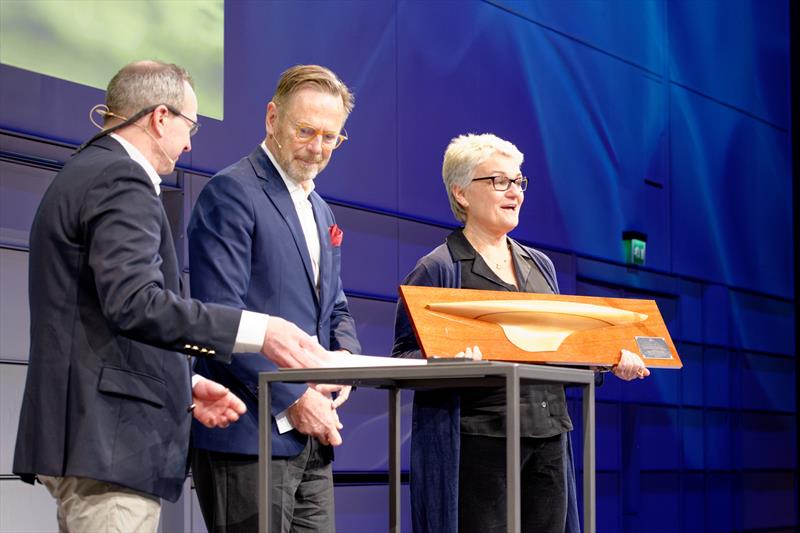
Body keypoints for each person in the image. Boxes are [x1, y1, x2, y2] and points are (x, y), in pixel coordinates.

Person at [12, 60, 332, 533]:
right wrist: (259, 330)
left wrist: (183, 387)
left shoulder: (90, 169)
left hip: (98, 440)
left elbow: (106, 316)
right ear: (161, 117)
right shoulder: (121, 178)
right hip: (108, 443)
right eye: (190, 126)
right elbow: (137, 302)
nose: (189, 143)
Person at [392, 133, 649, 533]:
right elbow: (402, 360)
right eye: (499, 181)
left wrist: (608, 360)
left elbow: (561, 347)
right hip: (480, 444)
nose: (514, 192)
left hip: (548, 438)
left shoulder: (540, 265)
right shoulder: (439, 268)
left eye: (518, 181)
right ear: (461, 193)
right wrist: (449, 364)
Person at [188, 64, 361, 533]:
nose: (318, 148)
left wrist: (346, 360)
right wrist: (293, 398)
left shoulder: (320, 207)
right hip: (248, 436)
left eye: (331, 138)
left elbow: (335, 306)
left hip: (313, 440)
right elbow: (218, 319)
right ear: (272, 118)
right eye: (306, 131)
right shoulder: (231, 192)